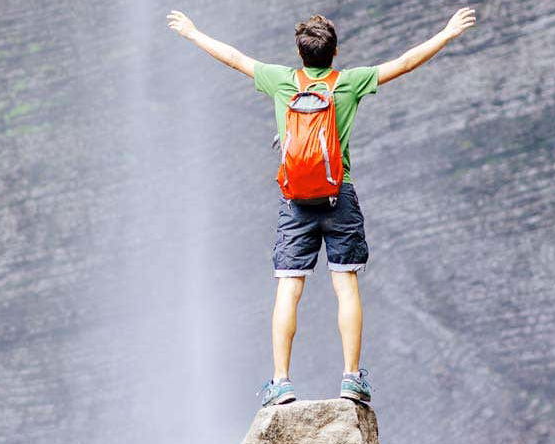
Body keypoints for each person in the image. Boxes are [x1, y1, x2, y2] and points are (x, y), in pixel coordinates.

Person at [166, 7, 477, 406]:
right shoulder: (349, 82)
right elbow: (404, 63)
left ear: (300, 54)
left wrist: (192, 32)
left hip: (295, 200)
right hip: (338, 194)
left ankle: (281, 381)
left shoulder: (280, 80)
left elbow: (234, 57)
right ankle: (351, 378)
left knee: (288, 288)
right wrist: (447, 33)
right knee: (345, 285)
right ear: (335, 52)